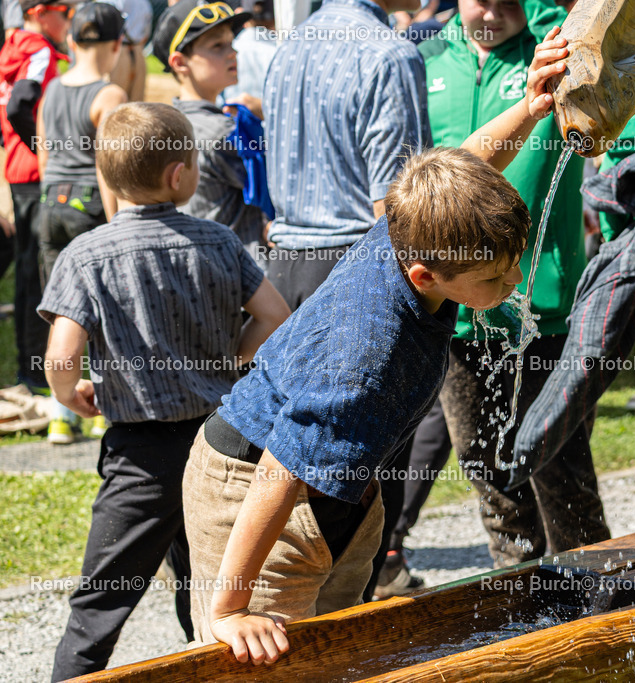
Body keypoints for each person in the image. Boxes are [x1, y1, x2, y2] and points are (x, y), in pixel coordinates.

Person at [182, 32, 568, 664]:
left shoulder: (413, 226)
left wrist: (529, 106)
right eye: (494, 278)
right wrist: (230, 607)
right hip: (255, 496)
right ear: (426, 275)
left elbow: (466, 168)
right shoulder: (368, 355)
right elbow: (284, 466)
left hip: (335, 497)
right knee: (262, 667)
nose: (512, 284)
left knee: (342, 657)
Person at [43, 102, 290, 680]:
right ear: (180, 176)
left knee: (102, 599)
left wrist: (69, 393)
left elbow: (60, 354)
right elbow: (274, 315)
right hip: (220, 445)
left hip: (141, 457)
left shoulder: (87, 253)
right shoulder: (219, 240)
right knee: (208, 585)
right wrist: (229, 358)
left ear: (106, 177)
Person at [422, 0, 610, 569]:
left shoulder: (552, 50)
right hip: (459, 315)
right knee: (490, 477)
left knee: (564, 481)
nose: (498, 10)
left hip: (544, 313)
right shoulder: (425, 59)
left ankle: (598, 614)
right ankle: (519, 606)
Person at [261, 0, 431, 308]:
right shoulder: (391, 55)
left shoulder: (290, 46)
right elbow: (398, 206)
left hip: (282, 273)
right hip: (355, 277)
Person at [35, 1, 127, 444]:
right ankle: (101, 408)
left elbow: (44, 152)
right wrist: (117, 224)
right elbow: (109, 167)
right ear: (117, 45)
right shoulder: (109, 94)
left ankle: (60, 414)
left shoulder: (52, 88)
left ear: (72, 41)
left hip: (49, 205)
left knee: (61, 311)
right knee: (103, 311)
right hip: (90, 208)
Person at [153, 1, 268, 259]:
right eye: (218, 46)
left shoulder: (168, 121)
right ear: (180, 62)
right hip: (237, 272)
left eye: (231, 42)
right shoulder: (223, 131)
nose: (233, 52)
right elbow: (277, 185)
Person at [0, 0, 69, 395]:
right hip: (35, 173)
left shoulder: (11, 47)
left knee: (28, 272)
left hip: (15, 168)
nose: (68, 20)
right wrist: (46, 150)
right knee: (43, 273)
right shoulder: (39, 49)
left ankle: (29, 366)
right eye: (66, 10)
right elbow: (18, 105)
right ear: (41, 12)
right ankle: (36, 368)